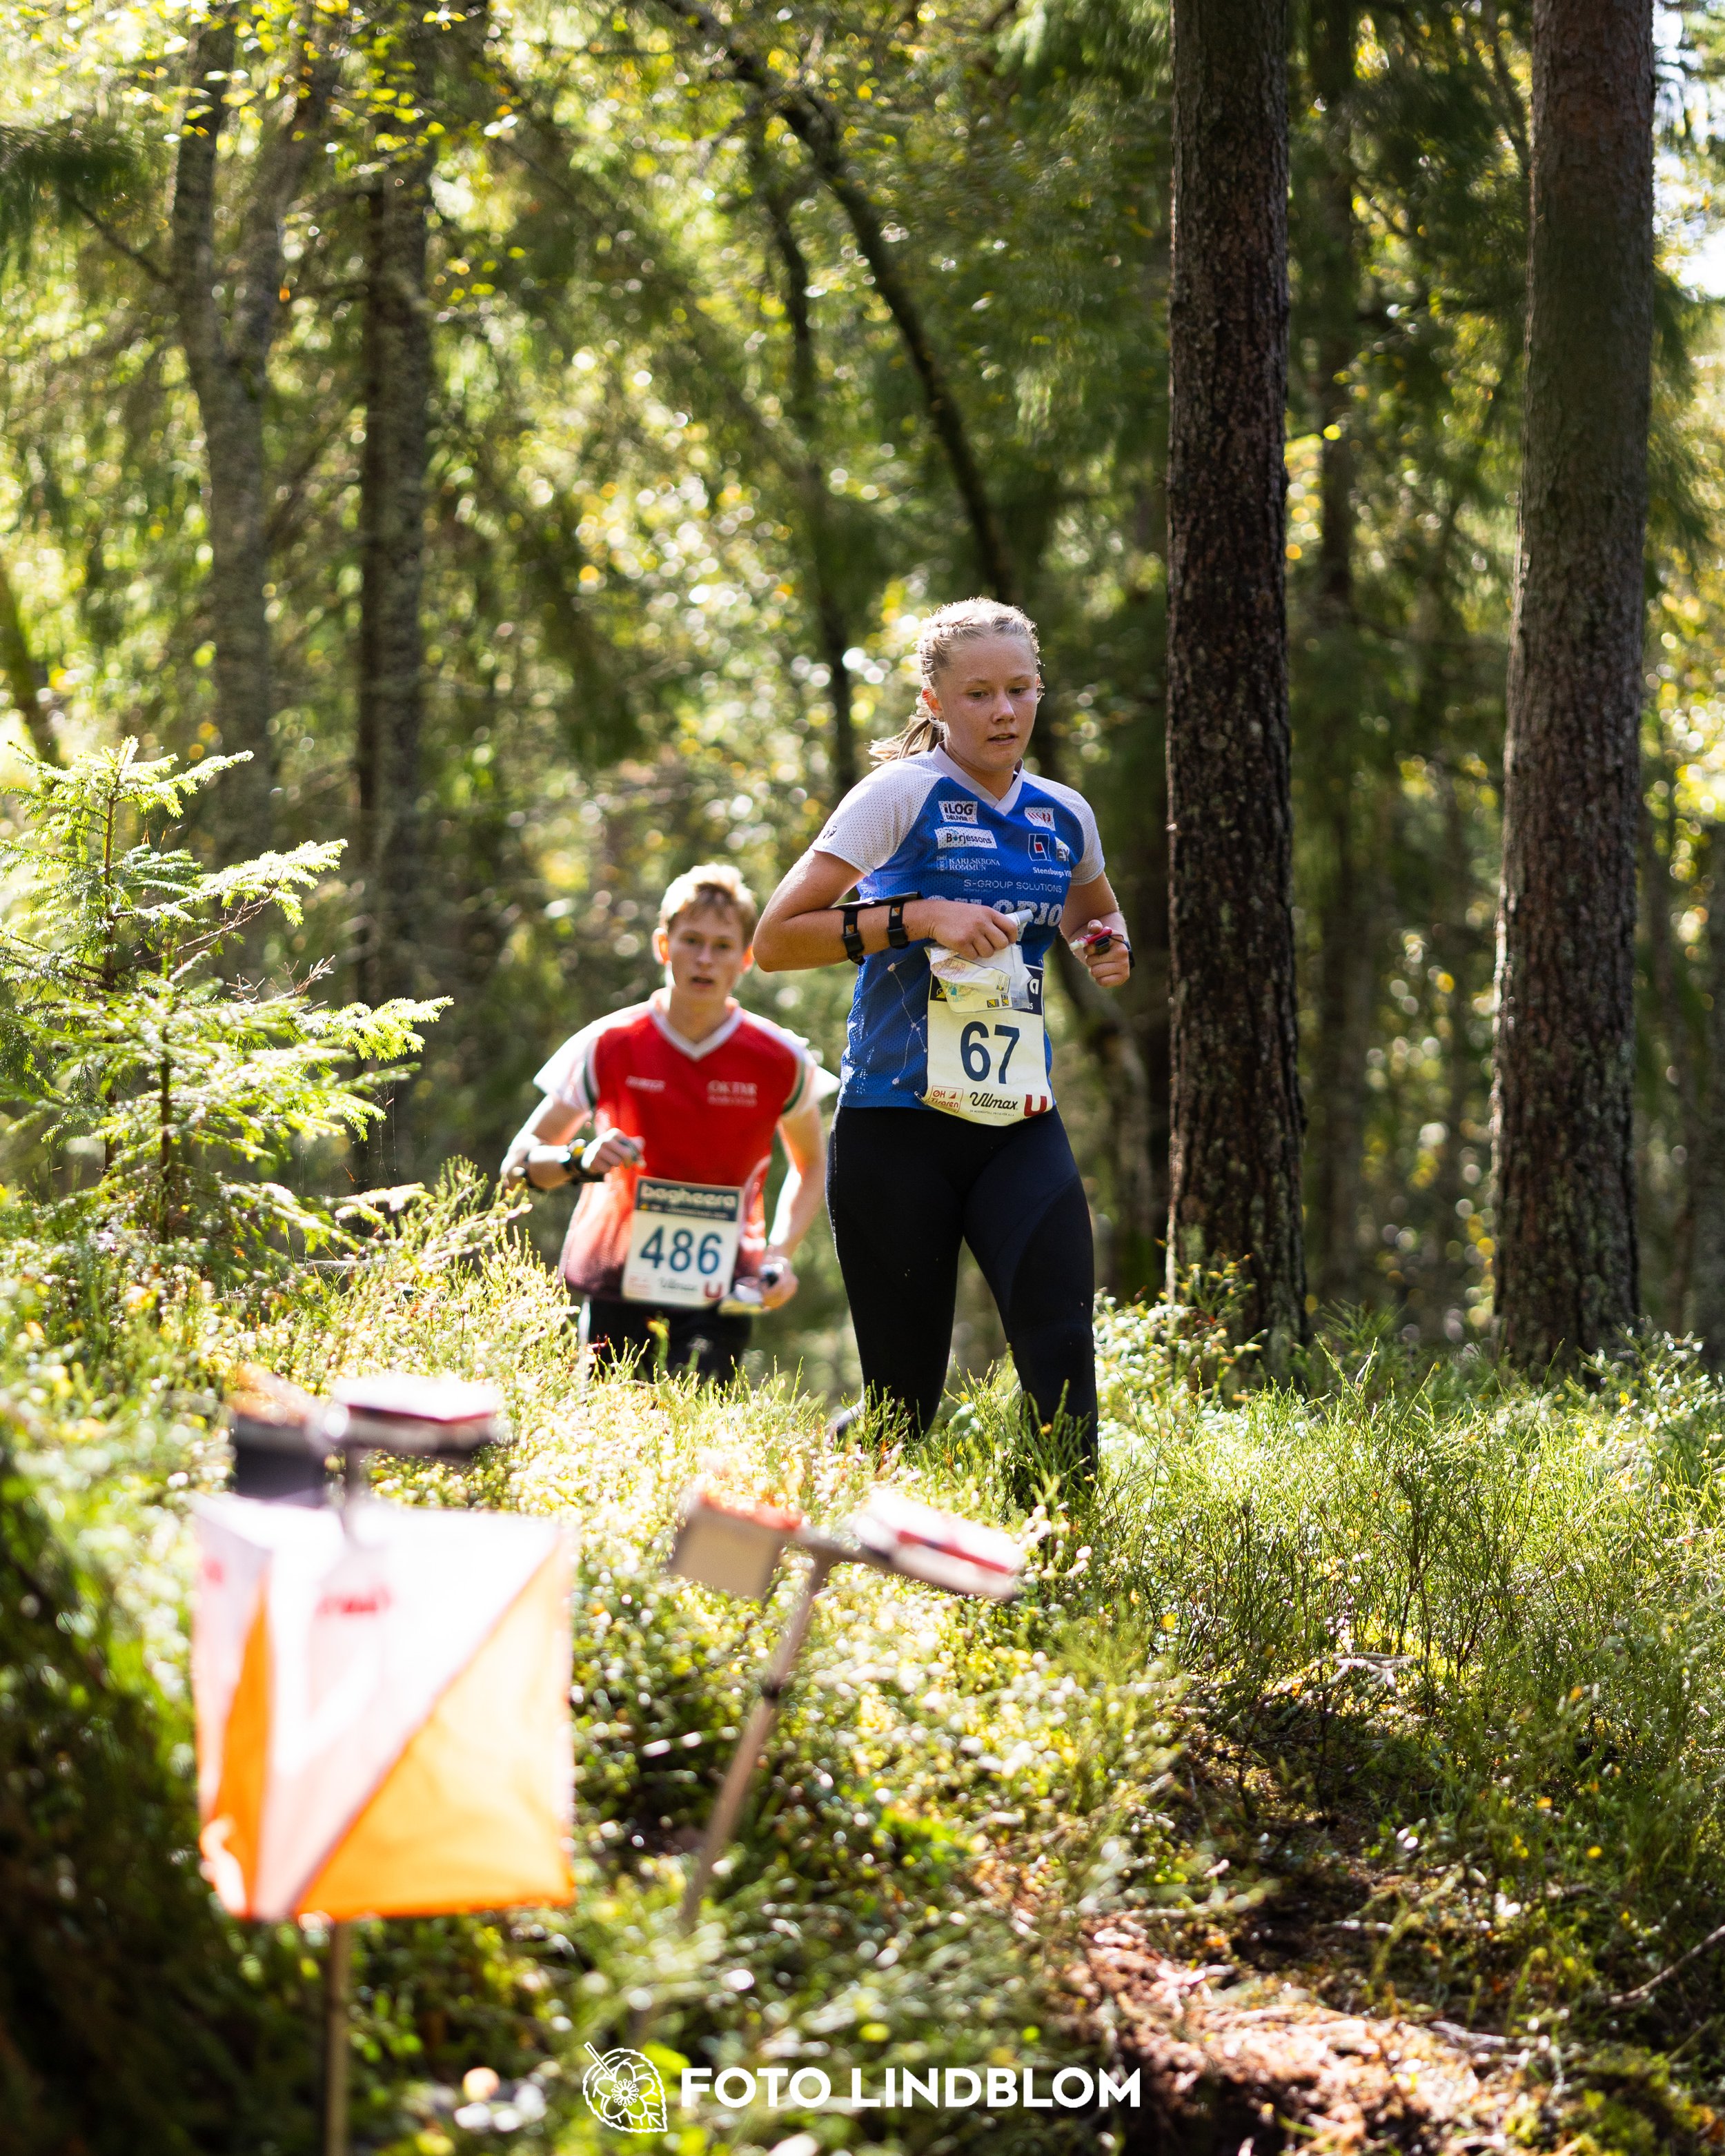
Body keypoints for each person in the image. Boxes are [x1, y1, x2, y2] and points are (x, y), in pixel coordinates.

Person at [753, 599, 1130, 1470]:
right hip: (896, 1125)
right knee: (903, 1403)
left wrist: (1108, 949)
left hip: (1016, 1120)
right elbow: (775, 939)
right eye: (978, 694)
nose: (1004, 711)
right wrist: (922, 915)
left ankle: (1056, 1581)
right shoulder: (899, 795)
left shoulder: (1063, 812)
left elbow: (1096, 917)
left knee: (1061, 1361)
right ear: (933, 701)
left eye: (1020, 690)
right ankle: (828, 1534)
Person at [502, 864, 829, 1383]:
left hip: (721, 1286)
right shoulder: (608, 1042)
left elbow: (812, 1165)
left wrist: (779, 1255)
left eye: (722, 946)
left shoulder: (780, 1058)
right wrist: (578, 1158)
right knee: (607, 1434)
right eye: (691, 940)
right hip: (616, 1277)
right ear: (663, 945)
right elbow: (519, 1163)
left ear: (746, 958)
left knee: (692, 1433)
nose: (704, 958)